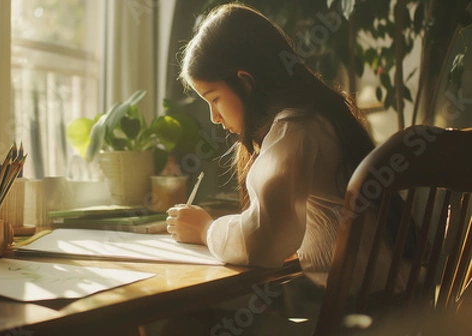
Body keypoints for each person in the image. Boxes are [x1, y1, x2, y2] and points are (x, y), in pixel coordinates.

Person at [159, 4, 414, 334]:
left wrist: (206, 230)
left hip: (359, 322)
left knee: (186, 324)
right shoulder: (323, 115)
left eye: (214, 99)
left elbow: (263, 245)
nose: (213, 117)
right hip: (403, 311)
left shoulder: (294, 127)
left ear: (245, 82)